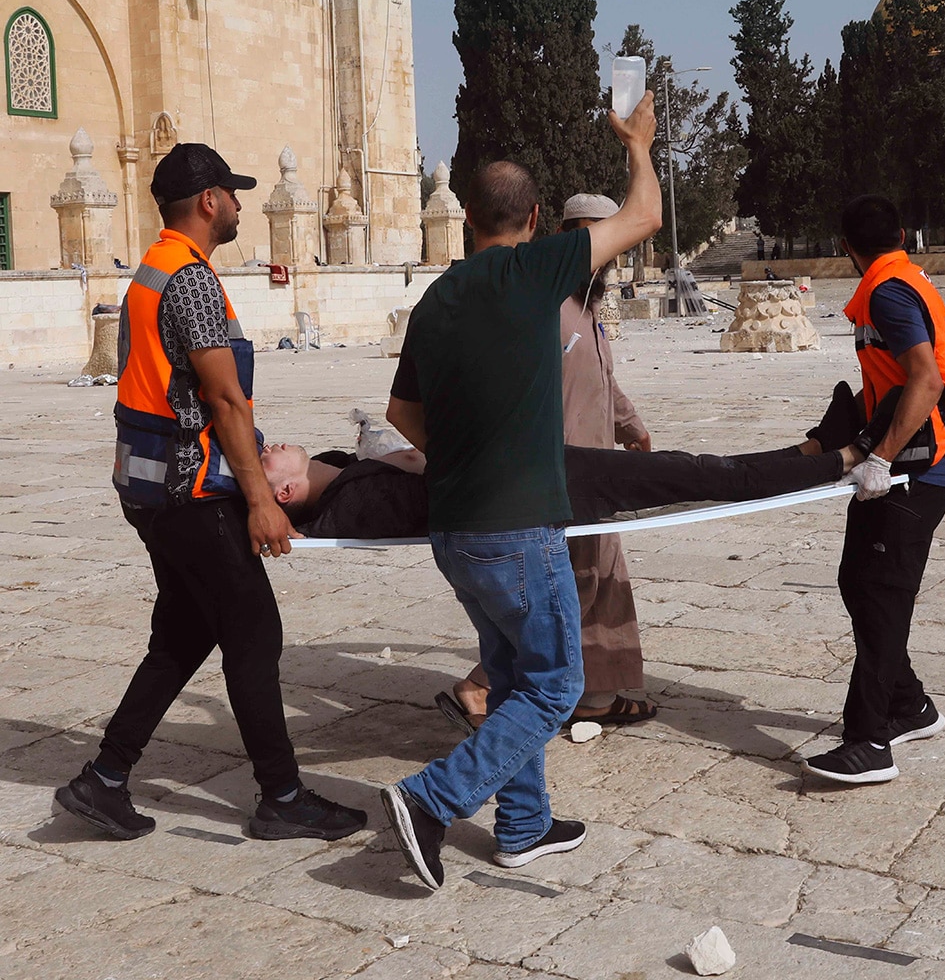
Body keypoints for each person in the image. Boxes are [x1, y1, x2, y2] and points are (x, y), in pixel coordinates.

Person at [377, 94, 662, 890]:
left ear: (468, 219)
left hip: (455, 530)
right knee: (557, 685)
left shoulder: (438, 299)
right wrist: (635, 143)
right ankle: (432, 801)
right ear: (536, 218)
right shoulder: (539, 271)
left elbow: (402, 412)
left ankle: (525, 823)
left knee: (510, 676)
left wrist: (463, 454)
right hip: (518, 527)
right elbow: (644, 215)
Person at [54, 143, 366, 843]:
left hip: (149, 488)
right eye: (232, 193)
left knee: (187, 632)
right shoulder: (189, 280)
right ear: (207, 202)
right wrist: (260, 501)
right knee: (254, 631)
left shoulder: (152, 269)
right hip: (190, 493)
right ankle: (281, 798)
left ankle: (103, 779)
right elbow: (225, 400)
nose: (240, 205)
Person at [445, 193, 656, 733]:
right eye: (586, 236)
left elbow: (602, 381)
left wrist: (630, 427)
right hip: (554, 476)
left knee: (599, 577)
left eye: (603, 238)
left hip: (593, 467)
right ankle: (481, 686)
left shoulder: (585, 306)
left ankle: (592, 697)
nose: (598, 252)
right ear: (561, 235)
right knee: (568, 587)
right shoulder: (544, 304)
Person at [799, 194, 945, 786]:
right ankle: (910, 705)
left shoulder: (888, 291)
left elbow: (926, 380)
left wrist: (878, 458)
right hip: (910, 456)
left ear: (845, 247)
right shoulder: (902, 277)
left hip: (919, 464)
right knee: (859, 577)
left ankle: (869, 742)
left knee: (881, 593)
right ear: (902, 233)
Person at [259, 436, 862, 543]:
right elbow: (439, 488)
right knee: (703, 475)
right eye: (265, 462)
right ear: (285, 493)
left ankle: (809, 452)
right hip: (541, 488)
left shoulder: (341, 470)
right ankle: (842, 456)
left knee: (699, 468)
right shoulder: (350, 503)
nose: (266, 448)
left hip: (534, 467)